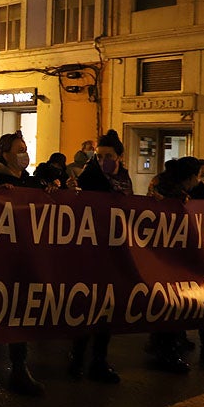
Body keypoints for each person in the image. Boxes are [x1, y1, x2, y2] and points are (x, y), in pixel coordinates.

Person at [0, 131, 47, 396]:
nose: (24, 153)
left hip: (22, 256)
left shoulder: (29, 181)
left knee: (20, 309)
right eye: (18, 149)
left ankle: (19, 367)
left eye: (25, 148)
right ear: (5, 154)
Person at [147, 156, 204, 368]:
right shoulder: (165, 193)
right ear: (191, 177)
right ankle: (165, 351)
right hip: (169, 259)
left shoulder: (190, 193)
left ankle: (194, 346)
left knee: (196, 301)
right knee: (171, 305)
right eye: (200, 176)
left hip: (188, 256)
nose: (203, 180)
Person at [69, 129, 130, 383]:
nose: (102, 158)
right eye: (99, 154)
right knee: (89, 306)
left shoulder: (124, 178)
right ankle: (77, 358)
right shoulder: (90, 176)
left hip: (114, 249)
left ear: (119, 157)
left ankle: (99, 359)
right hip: (91, 251)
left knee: (108, 308)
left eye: (108, 155)